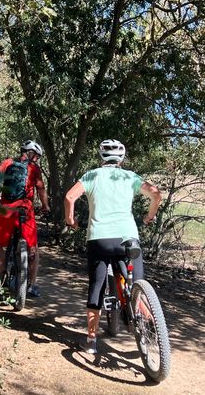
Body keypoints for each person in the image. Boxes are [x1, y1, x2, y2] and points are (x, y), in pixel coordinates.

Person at [63, 139, 161, 354]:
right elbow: (155, 193)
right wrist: (149, 216)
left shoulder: (91, 176)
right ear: (122, 158)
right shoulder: (130, 177)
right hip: (128, 236)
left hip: (100, 239)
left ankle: (91, 340)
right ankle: (150, 325)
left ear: (101, 156)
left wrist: (70, 221)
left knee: (97, 285)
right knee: (139, 282)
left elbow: (70, 197)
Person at [0, 140, 50, 298]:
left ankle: (2, 275)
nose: (36, 159)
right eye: (36, 156)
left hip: (6, 209)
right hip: (25, 210)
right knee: (34, 248)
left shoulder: (8, 163)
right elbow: (41, 188)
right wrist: (45, 206)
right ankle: (32, 286)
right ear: (32, 154)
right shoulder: (34, 168)